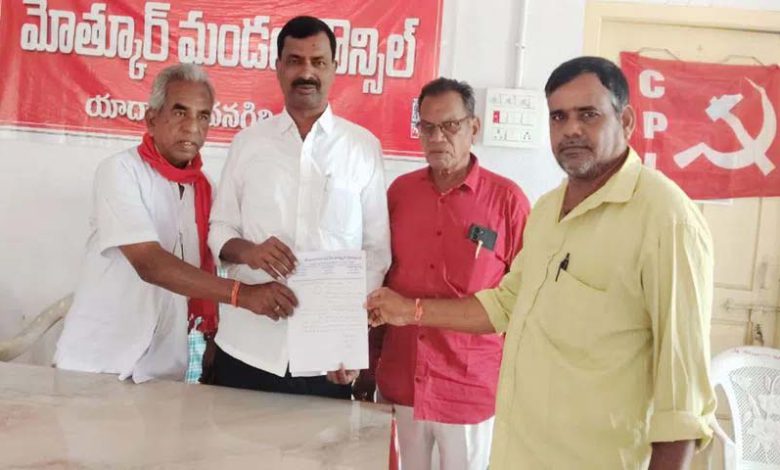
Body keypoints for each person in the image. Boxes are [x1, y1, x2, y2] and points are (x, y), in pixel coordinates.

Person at [367, 56, 717, 469]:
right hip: (520, 448)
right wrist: (407, 312)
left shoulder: (666, 219)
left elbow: (682, 402)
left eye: (588, 114)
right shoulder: (550, 210)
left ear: (625, 121)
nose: (571, 129)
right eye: (558, 117)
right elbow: (504, 304)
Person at [55, 64, 297, 383]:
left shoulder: (204, 189)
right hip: (97, 361)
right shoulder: (120, 171)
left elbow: (212, 263)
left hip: (162, 368)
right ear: (151, 119)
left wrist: (212, 338)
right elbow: (150, 264)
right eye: (180, 112)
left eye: (203, 116)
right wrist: (244, 295)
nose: (192, 127)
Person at [208, 16, 391, 398]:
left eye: (318, 62)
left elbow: (375, 253)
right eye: (295, 61)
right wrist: (251, 252)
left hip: (326, 359)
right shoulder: (248, 143)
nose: (306, 72)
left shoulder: (362, 148)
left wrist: (347, 336)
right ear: (278, 67)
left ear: (334, 68)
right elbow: (220, 228)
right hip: (247, 347)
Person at [354, 78, 529, 470]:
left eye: (450, 126)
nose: (437, 138)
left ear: (473, 127)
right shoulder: (399, 194)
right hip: (401, 383)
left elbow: (525, 303)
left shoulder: (508, 201)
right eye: (427, 127)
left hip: (470, 391)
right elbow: (379, 279)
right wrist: (365, 362)